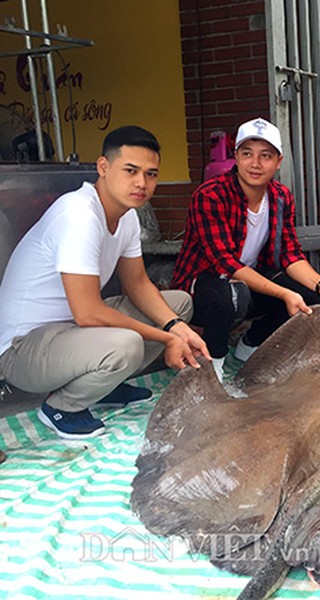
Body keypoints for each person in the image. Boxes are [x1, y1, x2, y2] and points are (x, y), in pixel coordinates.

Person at [0, 126, 209, 440]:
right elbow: (88, 313)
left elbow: (138, 283)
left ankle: (102, 384)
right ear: (103, 167)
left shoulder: (126, 216)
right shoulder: (79, 214)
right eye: (130, 170)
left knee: (178, 304)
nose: (141, 183)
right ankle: (62, 407)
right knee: (125, 344)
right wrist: (167, 339)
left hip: (69, 332)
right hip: (22, 350)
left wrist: (176, 327)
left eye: (151, 174)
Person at [171, 117, 320, 381]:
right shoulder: (210, 195)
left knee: (310, 297)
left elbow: (290, 254)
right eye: (247, 153)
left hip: (248, 280)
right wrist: (283, 293)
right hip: (203, 286)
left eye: (265, 155)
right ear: (236, 157)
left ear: (278, 162)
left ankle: (250, 344)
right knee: (228, 296)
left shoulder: (281, 196)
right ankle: (213, 365)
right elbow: (225, 263)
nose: (255, 163)